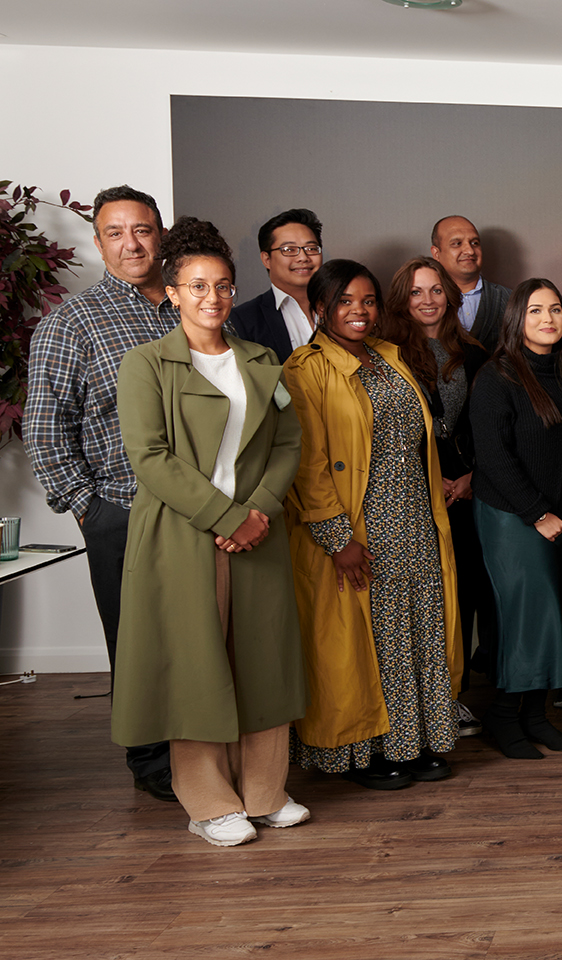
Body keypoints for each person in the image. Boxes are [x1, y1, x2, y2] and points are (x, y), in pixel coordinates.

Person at [112, 218, 306, 846]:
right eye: (197, 287)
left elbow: (287, 442)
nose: (213, 298)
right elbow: (150, 456)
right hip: (180, 535)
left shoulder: (260, 360)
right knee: (192, 666)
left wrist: (259, 511)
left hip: (258, 528)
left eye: (222, 286)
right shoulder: (147, 364)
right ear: (172, 292)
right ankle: (206, 803)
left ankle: (265, 791)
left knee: (263, 663)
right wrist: (227, 517)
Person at [283, 259, 464, 787]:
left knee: (417, 634)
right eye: (344, 302)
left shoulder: (390, 356)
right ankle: (365, 755)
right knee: (366, 644)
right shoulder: (304, 369)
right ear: (319, 308)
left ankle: (415, 742)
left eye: (367, 301)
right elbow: (307, 463)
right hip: (357, 529)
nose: (359, 312)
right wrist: (337, 538)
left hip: (414, 519)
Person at [24, 184, 177, 801]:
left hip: (202, 508)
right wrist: (89, 510)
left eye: (141, 229)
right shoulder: (73, 320)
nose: (131, 243)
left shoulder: (190, 304)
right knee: (137, 640)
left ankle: (204, 750)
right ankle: (152, 761)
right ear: (98, 243)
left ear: (160, 234)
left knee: (197, 636)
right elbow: (44, 426)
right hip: (124, 508)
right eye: (115, 233)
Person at [468, 279, 562, 759]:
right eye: (536, 311)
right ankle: (503, 718)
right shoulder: (496, 377)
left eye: (554, 311)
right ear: (516, 319)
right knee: (527, 619)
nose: (548, 319)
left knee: (554, 616)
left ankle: (536, 717)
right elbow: (494, 458)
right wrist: (536, 512)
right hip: (513, 517)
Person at [377, 256, 494, 737]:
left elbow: (489, 426)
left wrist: (469, 478)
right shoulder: (386, 354)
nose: (427, 300)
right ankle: (430, 698)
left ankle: (457, 694)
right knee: (429, 598)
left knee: (466, 593)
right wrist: (432, 481)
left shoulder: (476, 354)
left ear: (450, 295)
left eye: (436, 290)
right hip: (413, 492)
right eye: (416, 292)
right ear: (402, 300)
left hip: (469, 490)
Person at [228, 208, 322, 361]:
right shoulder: (243, 319)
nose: (303, 257)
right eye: (289, 249)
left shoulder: (344, 308)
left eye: (311, 248)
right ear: (266, 259)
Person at [431, 215, 512, 349]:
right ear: (436, 253)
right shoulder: (421, 303)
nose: (469, 251)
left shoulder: (510, 299)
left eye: (475, 243)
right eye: (457, 243)